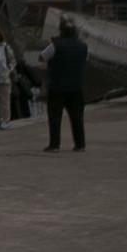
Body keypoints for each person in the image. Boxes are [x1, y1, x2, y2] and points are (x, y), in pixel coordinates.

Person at [37, 16, 88, 152]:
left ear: (61, 30)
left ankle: (54, 145)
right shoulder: (83, 46)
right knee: (77, 117)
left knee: (55, 117)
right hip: (76, 87)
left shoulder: (55, 45)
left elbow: (42, 57)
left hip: (57, 87)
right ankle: (80, 144)